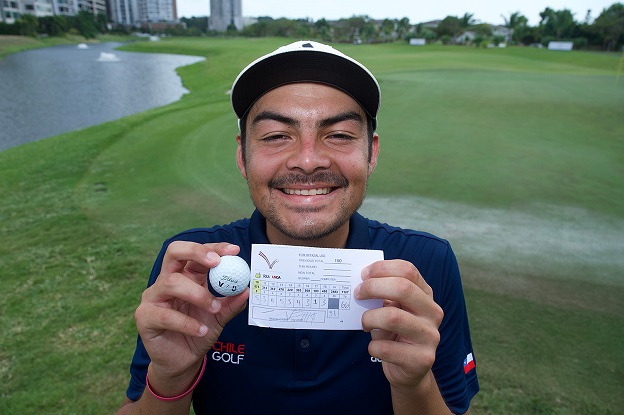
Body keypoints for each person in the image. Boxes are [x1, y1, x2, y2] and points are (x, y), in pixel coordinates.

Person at [118, 40, 479, 415]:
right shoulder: (194, 266)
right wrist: (171, 376)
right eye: (276, 136)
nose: (308, 161)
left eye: (339, 135)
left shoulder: (427, 261)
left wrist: (414, 384)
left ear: (371, 153)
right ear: (243, 156)